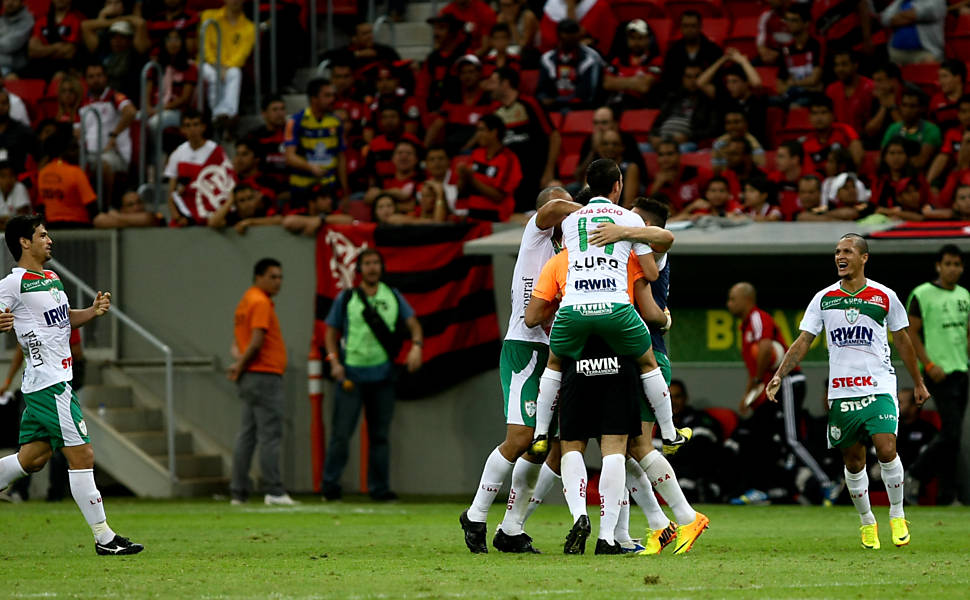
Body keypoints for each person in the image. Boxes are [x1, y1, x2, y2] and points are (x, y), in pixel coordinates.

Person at [523, 159, 685, 552]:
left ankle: (542, 440)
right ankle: (671, 449)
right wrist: (663, 319)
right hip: (620, 334)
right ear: (618, 185)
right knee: (627, 445)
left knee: (573, 437)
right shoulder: (632, 241)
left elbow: (532, 316)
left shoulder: (566, 242)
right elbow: (658, 256)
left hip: (575, 328)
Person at [767, 233, 930, 549]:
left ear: (863, 257)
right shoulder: (824, 298)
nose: (840, 256)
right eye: (836, 252)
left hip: (879, 385)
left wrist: (919, 381)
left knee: (885, 449)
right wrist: (779, 373)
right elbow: (803, 340)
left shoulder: (884, 296)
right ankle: (867, 522)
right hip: (841, 391)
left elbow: (903, 340)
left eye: (847, 251)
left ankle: (896, 513)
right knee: (854, 462)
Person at [0, 215, 143, 555]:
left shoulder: (51, 278)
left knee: (33, 459)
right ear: (24, 242)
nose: (49, 240)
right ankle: (105, 538)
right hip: (51, 384)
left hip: (46, 382)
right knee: (83, 454)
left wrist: (91, 311)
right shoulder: (13, 282)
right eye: (42, 235)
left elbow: (63, 320)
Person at [459, 186, 580, 554]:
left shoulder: (568, 250)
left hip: (557, 352)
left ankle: (511, 528)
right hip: (524, 348)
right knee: (521, 438)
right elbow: (557, 205)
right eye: (557, 208)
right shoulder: (535, 233)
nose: (563, 215)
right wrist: (595, 212)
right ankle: (475, 514)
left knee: (554, 449)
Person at [323, 249, 423, 501]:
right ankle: (330, 486)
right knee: (341, 435)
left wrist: (417, 346)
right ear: (359, 269)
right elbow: (330, 331)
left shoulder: (393, 296)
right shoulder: (347, 298)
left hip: (383, 377)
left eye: (376, 263)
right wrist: (334, 361)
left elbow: (414, 325)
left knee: (379, 437)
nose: (372, 268)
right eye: (367, 263)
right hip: (351, 376)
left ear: (381, 267)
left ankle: (379, 489)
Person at [726, 282, 837, 505]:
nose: (729, 304)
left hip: (786, 381)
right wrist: (750, 394)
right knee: (760, 438)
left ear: (746, 299)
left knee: (792, 439)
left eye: (732, 299)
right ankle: (761, 489)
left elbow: (766, 350)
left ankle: (828, 483)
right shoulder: (745, 327)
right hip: (770, 387)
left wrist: (756, 383)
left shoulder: (757, 318)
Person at [226, 258, 297, 506]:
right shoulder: (261, 302)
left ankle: (238, 492)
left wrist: (239, 366)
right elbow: (256, 342)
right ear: (259, 277)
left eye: (280, 277)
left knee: (247, 434)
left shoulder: (246, 301)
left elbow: (238, 343)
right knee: (270, 435)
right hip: (265, 375)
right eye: (273, 276)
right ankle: (274, 491)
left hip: (250, 377)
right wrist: (242, 366)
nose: (278, 282)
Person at [906, 245, 970, 505]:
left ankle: (947, 495)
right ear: (938, 266)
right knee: (952, 432)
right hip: (937, 372)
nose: (953, 268)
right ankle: (914, 473)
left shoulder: (965, 294)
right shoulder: (922, 294)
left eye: (957, 264)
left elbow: (967, 332)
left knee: (952, 437)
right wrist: (929, 365)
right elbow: (911, 333)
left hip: (961, 370)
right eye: (948, 263)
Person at [489, 66, 561, 213]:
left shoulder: (530, 103)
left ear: (505, 83)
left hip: (536, 175)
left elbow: (554, 136)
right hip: (513, 180)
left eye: (493, 82)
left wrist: (549, 171)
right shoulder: (495, 112)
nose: (489, 86)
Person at [284, 78, 349, 215]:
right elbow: (290, 157)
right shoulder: (295, 121)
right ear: (314, 98)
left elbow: (341, 157)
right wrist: (311, 167)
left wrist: (345, 190)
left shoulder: (336, 122)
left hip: (329, 186)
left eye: (333, 95)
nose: (332, 99)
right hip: (302, 186)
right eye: (327, 95)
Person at [78, 61, 137, 207]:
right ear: (85, 80)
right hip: (88, 154)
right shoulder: (83, 103)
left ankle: (105, 208)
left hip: (114, 154)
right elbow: (77, 131)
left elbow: (131, 112)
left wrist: (114, 136)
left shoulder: (114, 97)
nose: (95, 80)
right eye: (91, 76)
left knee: (103, 164)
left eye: (99, 75)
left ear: (106, 78)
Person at [164, 108, 233, 226]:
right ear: (182, 129)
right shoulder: (178, 154)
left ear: (203, 127)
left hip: (211, 209)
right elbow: (171, 191)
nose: (192, 129)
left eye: (196, 124)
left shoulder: (215, 151)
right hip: (186, 211)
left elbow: (227, 184)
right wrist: (177, 216)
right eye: (188, 125)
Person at [198, 0, 255, 136]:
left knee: (235, 73)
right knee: (212, 75)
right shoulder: (208, 16)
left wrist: (226, 67)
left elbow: (242, 54)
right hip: (207, 64)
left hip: (230, 66)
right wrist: (217, 65)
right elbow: (205, 46)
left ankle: (227, 114)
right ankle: (218, 115)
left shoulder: (249, 27)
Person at [455, 114, 522, 222]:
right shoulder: (476, 154)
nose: (478, 135)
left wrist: (471, 178)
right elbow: (460, 190)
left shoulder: (509, 159)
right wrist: (462, 177)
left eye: (482, 130)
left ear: (494, 132)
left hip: (495, 216)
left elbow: (498, 196)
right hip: (472, 214)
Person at [536, 18, 604, 113]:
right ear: (559, 36)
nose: (568, 38)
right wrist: (544, 99)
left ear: (578, 35)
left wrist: (557, 101)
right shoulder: (547, 59)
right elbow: (542, 89)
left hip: (583, 108)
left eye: (572, 34)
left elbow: (588, 94)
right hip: (554, 108)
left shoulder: (591, 58)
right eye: (565, 35)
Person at [36, 128, 98, 229]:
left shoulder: (43, 172)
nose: (78, 152)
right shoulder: (75, 172)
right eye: (74, 148)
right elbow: (91, 205)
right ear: (64, 151)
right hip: (79, 227)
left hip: (52, 228)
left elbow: (40, 206)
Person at [881, 87, 941, 170]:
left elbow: (920, 162)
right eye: (904, 105)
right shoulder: (893, 128)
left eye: (912, 106)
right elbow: (882, 158)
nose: (907, 110)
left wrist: (895, 160)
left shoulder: (931, 130)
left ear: (922, 109)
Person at [802, 94, 864, 177]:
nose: (819, 117)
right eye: (815, 113)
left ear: (832, 115)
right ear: (809, 117)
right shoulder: (807, 142)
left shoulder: (844, 130)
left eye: (823, 112)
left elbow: (857, 158)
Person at [660, 10, 722, 91]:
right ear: (681, 28)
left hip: (705, 94)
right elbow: (668, 78)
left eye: (693, 26)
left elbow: (718, 78)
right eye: (686, 26)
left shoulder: (713, 50)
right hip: (679, 95)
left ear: (700, 27)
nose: (689, 30)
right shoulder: (673, 51)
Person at [776, 4, 822, 105]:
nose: (789, 24)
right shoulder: (786, 50)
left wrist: (792, 83)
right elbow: (779, 87)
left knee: (796, 105)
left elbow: (815, 80)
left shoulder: (816, 45)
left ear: (806, 24)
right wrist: (805, 84)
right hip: (792, 95)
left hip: (813, 96)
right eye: (787, 20)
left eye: (794, 20)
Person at [825, 49, 874, 139]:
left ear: (855, 65)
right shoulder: (831, 90)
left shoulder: (870, 88)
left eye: (844, 64)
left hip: (865, 139)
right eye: (837, 65)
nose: (839, 69)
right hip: (839, 139)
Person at [880, 0, 946, 65]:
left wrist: (897, 17)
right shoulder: (900, 1)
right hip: (897, 53)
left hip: (925, 52)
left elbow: (925, 12)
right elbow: (885, 19)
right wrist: (912, 16)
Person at [93, 188, 164, 228]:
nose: (136, 207)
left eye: (139, 202)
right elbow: (99, 220)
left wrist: (116, 216)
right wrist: (134, 222)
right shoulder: (120, 219)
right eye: (130, 205)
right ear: (122, 209)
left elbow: (147, 218)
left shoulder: (153, 216)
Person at [0, 0, 34, 78]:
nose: (10, 3)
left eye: (14, 0)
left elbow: (10, 45)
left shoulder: (28, 20)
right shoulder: (1, 20)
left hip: (13, 69)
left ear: (22, 2)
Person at [0, 160, 31, 226]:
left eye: (11, 176)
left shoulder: (19, 187)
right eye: (3, 176)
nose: (8, 180)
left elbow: (22, 219)